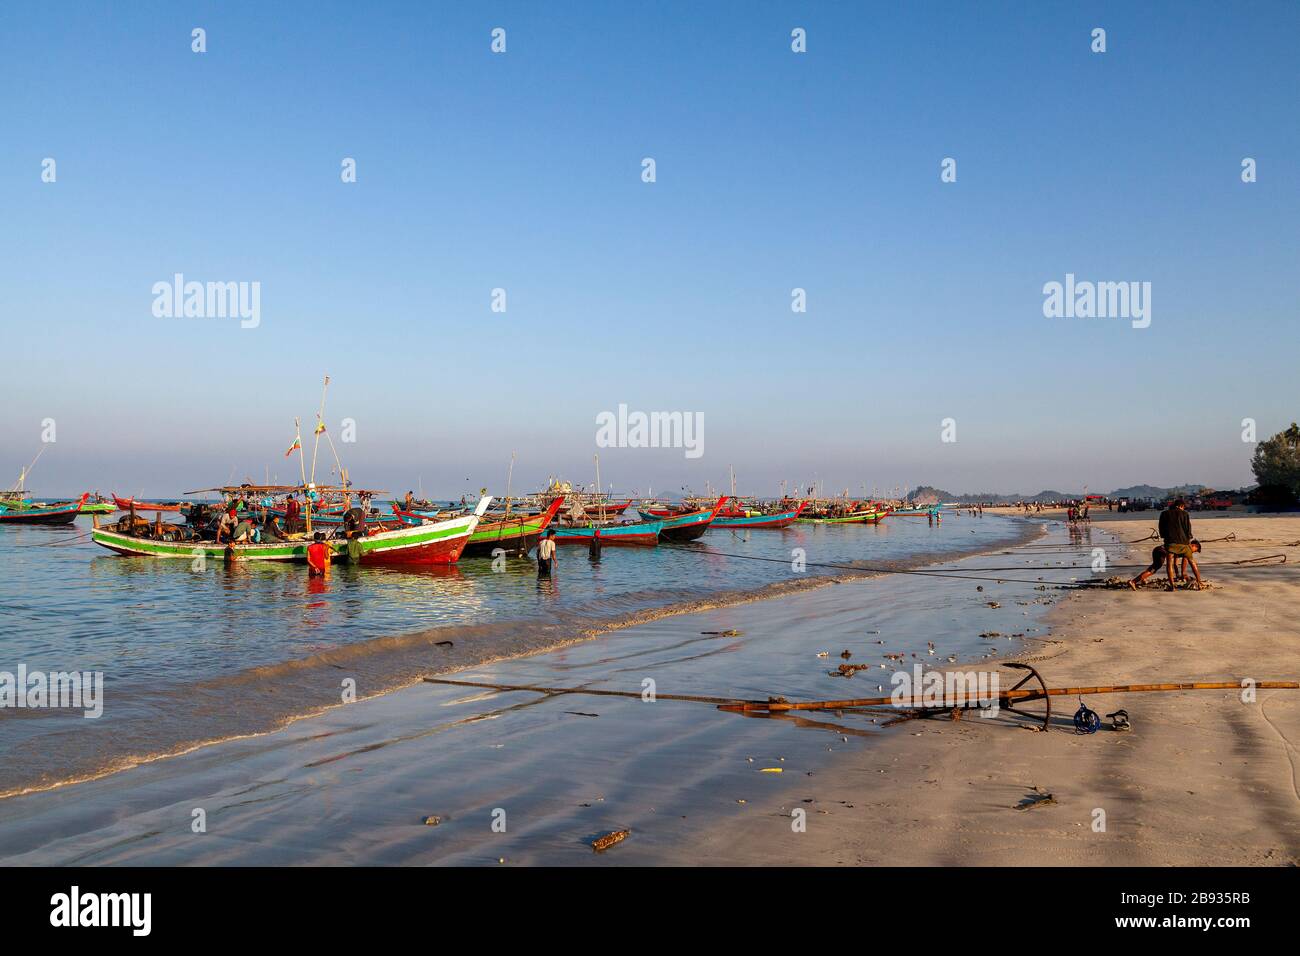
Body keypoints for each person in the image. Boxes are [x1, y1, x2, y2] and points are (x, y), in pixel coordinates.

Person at [1157, 498, 1203, 590]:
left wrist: (1164, 537)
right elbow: (1188, 529)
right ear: (1181, 506)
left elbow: (1161, 528)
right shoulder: (1185, 514)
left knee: (1169, 564)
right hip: (1184, 543)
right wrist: (1188, 539)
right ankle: (1199, 583)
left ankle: (1172, 586)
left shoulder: (1164, 514)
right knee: (1192, 563)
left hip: (1170, 543)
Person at [1130, 540, 1201, 589]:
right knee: (1154, 569)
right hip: (1161, 551)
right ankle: (1133, 581)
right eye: (1196, 550)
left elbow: (1175, 563)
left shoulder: (1181, 546)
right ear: (1193, 545)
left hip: (1157, 549)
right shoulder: (1187, 550)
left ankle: (1142, 578)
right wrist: (1199, 581)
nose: (1194, 552)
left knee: (1153, 567)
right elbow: (1193, 566)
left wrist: (1177, 574)